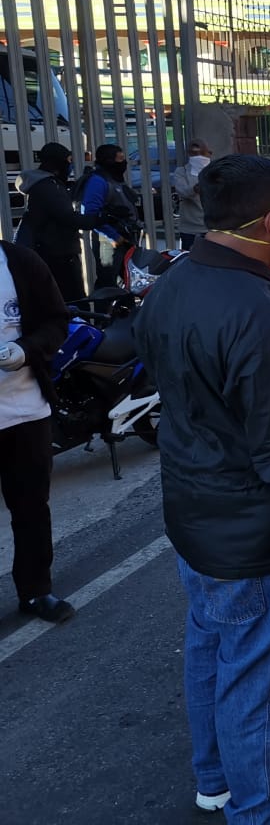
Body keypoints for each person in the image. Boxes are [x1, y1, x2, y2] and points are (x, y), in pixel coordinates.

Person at [135, 155, 270, 825]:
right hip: (254, 537)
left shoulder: (174, 284)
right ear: (268, 221)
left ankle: (217, 778)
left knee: (212, 649)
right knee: (254, 682)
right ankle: (260, 812)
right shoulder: (260, 311)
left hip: (196, 519)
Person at [0, 238, 75, 624]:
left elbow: (56, 321)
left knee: (30, 507)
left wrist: (26, 350)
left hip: (25, 411)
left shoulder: (21, 262)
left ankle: (35, 591)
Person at [13, 142, 99, 302]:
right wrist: (98, 219)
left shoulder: (45, 184)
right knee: (72, 303)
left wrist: (78, 185)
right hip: (58, 256)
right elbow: (67, 217)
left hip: (51, 252)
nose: (70, 164)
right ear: (57, 162)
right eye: (68, 160)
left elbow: (59, 204)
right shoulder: (48, 186)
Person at [79, 143, 139, 289]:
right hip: (110, 241)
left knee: (129, 281)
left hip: (125, 238)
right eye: (120, 159)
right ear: (108, 161)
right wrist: (114, 237)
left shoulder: (114, 179)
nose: (123, 163)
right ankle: (104, 311)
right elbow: (90, 213)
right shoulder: (98, 181)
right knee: (108, 284)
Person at [173, 138, 213, 249]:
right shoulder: (181, 172)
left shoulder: (216, 171)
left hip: (213, 227)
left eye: (201, 154)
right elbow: (183, 191)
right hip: (190, 228)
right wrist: (195, 188)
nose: (197, 157)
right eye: (193, 154)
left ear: (209, 153)